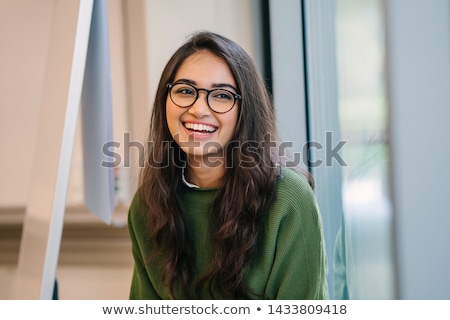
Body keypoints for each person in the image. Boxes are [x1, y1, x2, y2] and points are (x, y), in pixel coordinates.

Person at [128, 31, 328, 299]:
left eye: (221, 95)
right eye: (185, 91)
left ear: (245, 111)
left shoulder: (289, 200)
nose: (199, 109)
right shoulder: (148, 204)